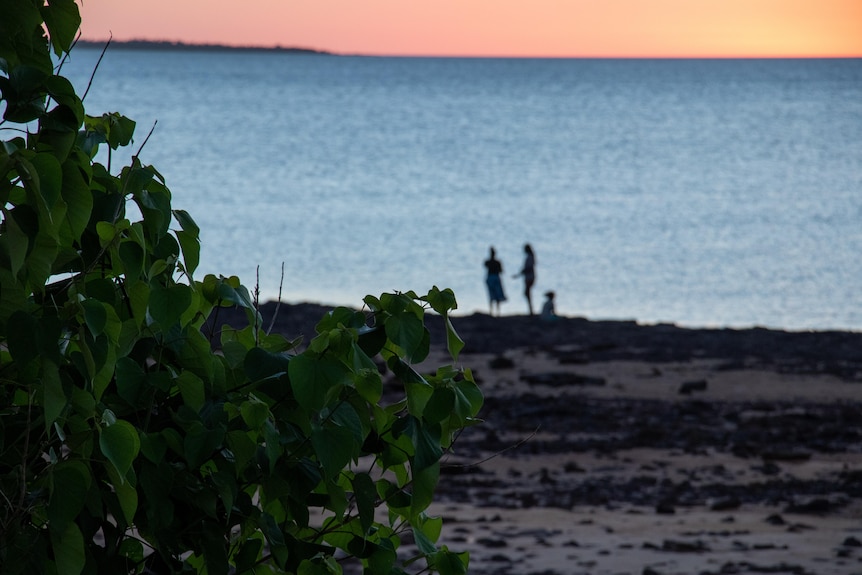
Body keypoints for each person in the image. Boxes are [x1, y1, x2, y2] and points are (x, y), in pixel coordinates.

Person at [513, 243, 536, 315]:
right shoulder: (530, 257)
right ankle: (530, 309)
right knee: (527, 293)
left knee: (527, 293)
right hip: (529, 276)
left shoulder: (530, 257)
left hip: (529, 277)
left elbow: (528, 268)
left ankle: (531, 310)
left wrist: (520, 274)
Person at [484, 246, 506, 316]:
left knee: (491, 294)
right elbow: (501, 271)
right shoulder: (497, 262)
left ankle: (492, 311)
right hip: (495, 277)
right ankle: (497, 312)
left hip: (490, 277)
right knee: (497, 295)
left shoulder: (488, 262)